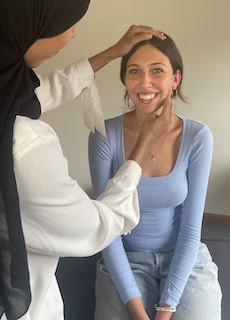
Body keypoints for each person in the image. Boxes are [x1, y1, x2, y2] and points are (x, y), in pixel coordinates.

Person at [0, 0, 168, 319]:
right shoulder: (25, 146)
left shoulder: (8, 94)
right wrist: (143, 145)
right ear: (22, 28)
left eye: (157, 71)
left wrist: (113, 51)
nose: (74, 34)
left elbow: (40, 94)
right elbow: (95, 227)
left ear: (176, 79)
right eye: (66, 24)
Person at [88, 33, 222, 320]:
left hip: (185, 259)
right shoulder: (103, 136)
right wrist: (138, 312)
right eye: (134, 71)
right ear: (125, 79)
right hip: (125, 260)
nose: (145, 82)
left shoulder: (197, 137)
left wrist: (165, 310)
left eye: (157, 71)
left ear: (175, 79)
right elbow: (107, 229)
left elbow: (190, 231)